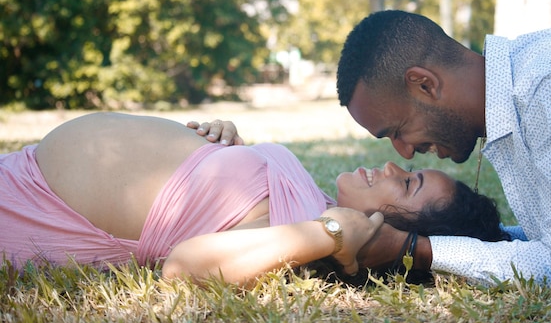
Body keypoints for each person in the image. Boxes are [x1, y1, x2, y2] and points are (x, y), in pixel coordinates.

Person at [0, 112, 505, 287]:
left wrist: (329, 231)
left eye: (409, 183)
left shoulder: (311, 231)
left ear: (390, 230)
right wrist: (223, 146)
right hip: (21, 171)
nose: (395, 166)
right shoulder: (309, 198)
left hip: (30, 210)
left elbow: (185, 268)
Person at [335, 9, 551, 291]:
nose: (405, 153)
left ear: (425, 85)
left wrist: (416, 249)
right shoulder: (523, 91)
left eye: (398, 130)